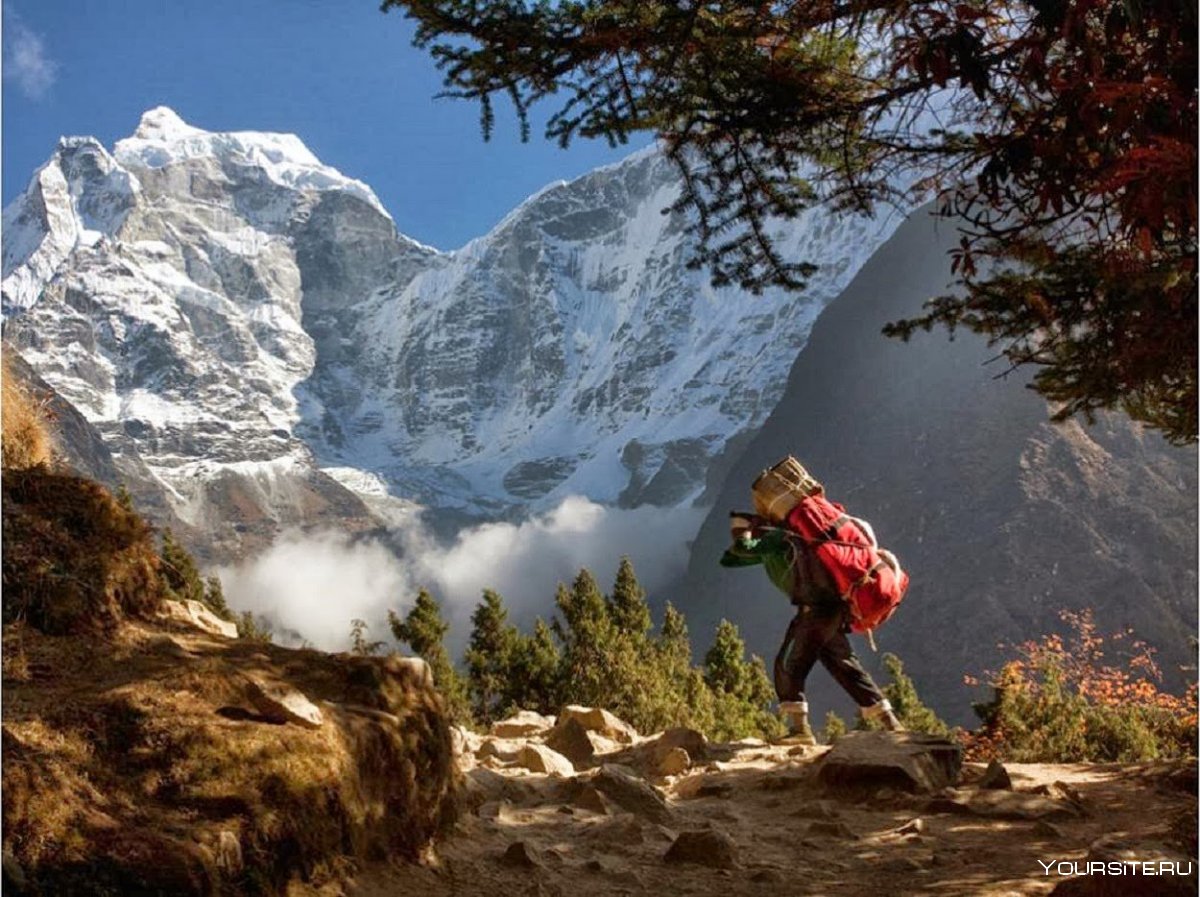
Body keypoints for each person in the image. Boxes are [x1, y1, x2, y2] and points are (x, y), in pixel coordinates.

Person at [720, 511, 903, 744]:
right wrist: (749, 534)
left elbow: (743, 549)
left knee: (788, 663)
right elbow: (731, 558)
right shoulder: (789, 540)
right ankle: (891, 723)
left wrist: (741, 529)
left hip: (816, 610)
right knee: (845, 665)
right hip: (834, 611)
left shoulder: (777, 539)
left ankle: (800, 731)